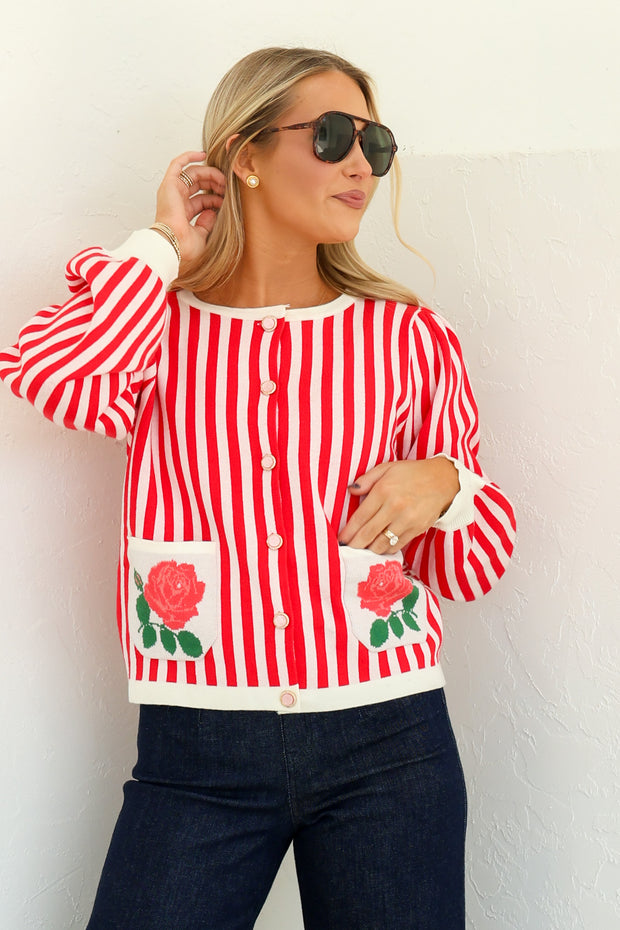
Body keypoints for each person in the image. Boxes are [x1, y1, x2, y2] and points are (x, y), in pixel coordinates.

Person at [0, 47, 516, 930]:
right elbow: (56, 379)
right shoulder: (154, 327)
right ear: (244, 154)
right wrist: (164, 246)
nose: (361, 165)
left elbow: (473, 568)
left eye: (376, 145)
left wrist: (447, 483)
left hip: (391, 745)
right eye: (332, 136)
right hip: (196, 753)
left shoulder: (408, 339)